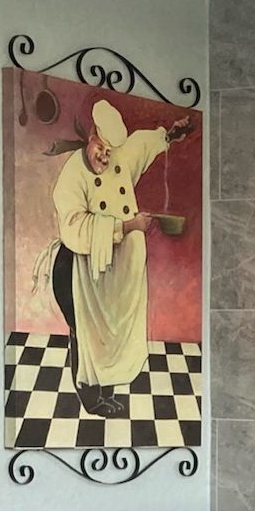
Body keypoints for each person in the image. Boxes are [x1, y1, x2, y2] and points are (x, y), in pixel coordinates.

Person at [47, 98, 196, 416]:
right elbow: (75, 228)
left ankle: (106, 391)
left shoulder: (118, 157)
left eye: (112, 150)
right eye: (101, 147)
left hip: (111, 271)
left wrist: (168, 135)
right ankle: (90, 396)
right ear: (91, 137)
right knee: (87, 333)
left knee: (109, 330)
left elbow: (141, 145)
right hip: (75, 268)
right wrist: (127, 225)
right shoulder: (72, 177)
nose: (106, 156)